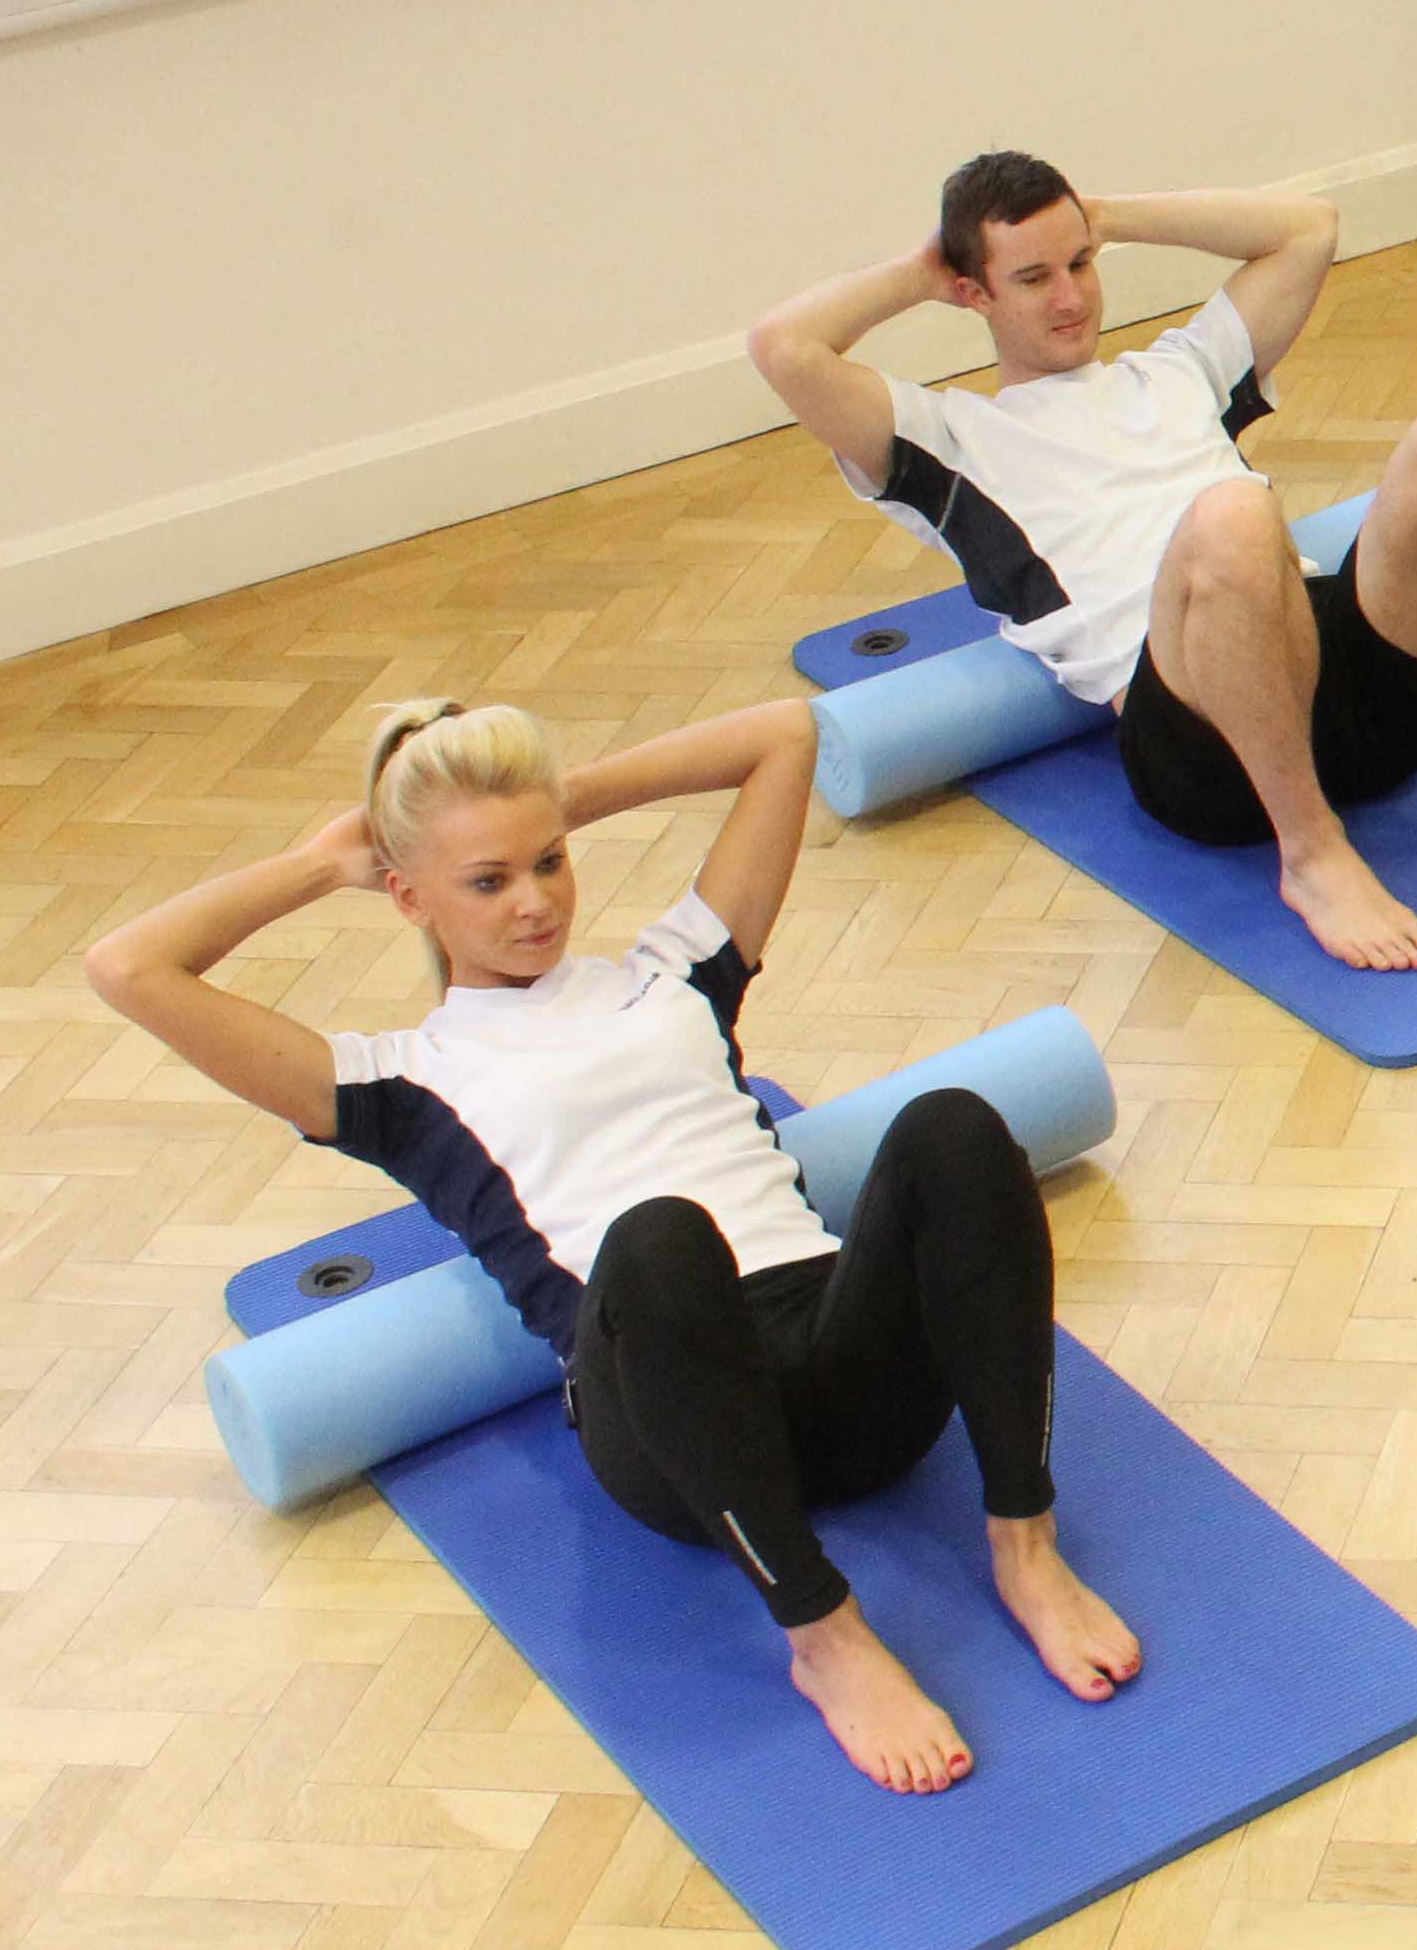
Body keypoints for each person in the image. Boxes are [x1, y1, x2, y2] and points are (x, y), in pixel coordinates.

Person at [81, 697, 1135, 1795]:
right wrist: (319, 865)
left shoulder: (672, 974)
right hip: (675, 1431)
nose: (535, 903)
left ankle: (1026, 1544)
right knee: (662, 1238)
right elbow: (129, 967)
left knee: (955, 1127)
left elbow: (783, 733)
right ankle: (823, 1634)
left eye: (549, 860)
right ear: (409, 896)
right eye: (486, 881)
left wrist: (552, 797)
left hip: (858, 1382)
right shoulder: (397, 1083)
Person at [749, 159, 1417, 977]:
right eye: (1032, 277)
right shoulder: (948, 443)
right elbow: (784, 348)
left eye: (1080, 264)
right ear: (971, 291)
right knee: (1233, 515)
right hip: (1206, 752)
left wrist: (1108, 216)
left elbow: (1307, 229)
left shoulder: (1177, 371)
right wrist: (922, 269)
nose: (1070, 297)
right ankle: (1313, 854)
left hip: (1356, 704)